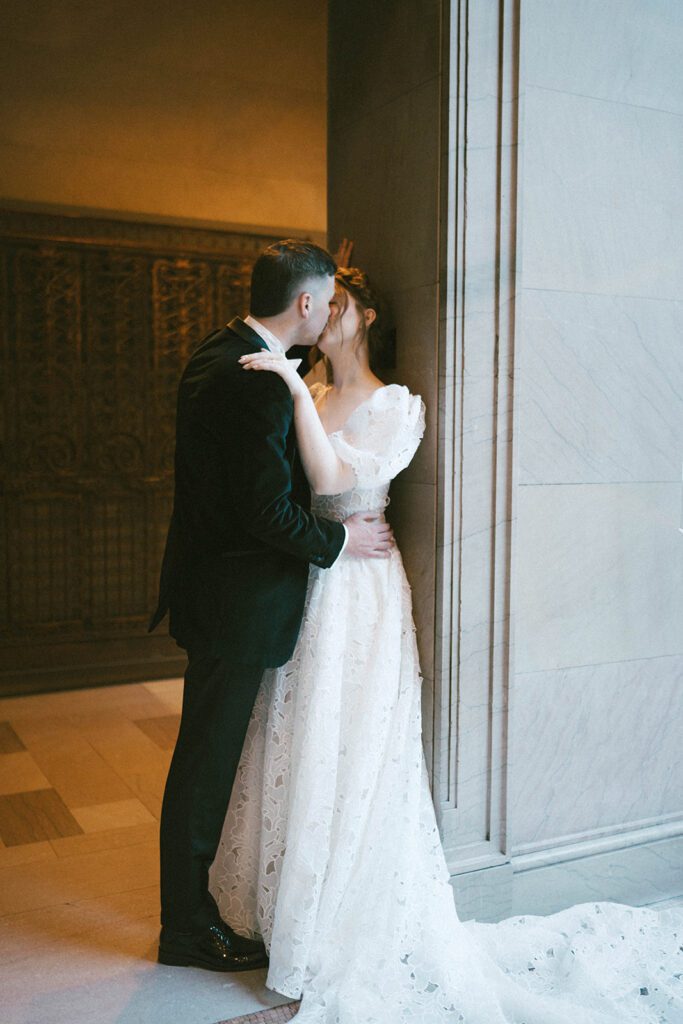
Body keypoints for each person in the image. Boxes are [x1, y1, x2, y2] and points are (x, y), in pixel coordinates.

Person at [209, 266, 683, 1021]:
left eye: (340, 305)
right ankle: (282, 904)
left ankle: (337, 914)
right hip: (310, 576)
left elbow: (330, 481)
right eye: (323, 303)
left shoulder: (394, 403)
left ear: (366, 319)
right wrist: (299, 392)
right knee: (299, 730)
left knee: (352, 737)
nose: (326, 315)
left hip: (361, 588)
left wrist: (293, 389)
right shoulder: (316, 391)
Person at [148, 241, 394, 972]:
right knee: (205, 766)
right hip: (237, 601)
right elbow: (264, 511)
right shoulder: (256, 379)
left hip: (212, 589)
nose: (330, 312)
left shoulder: (221, 351)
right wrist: (339, 538)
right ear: (306, 303)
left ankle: (188, 914)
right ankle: (186, 928)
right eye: (327, 299)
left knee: (205, 757)